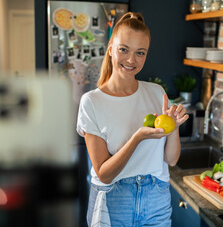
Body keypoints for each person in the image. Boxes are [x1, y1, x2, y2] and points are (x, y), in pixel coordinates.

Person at [77, 12, 189, 227]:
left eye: (140, 53)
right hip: (114, 198)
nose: (131, 60)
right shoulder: (91, 102)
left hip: (156, 196)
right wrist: (137, 138)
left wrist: (173, 128)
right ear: (110, 48)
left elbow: (172, 160)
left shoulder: (157, 93)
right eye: (123, 50)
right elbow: (104, 174)